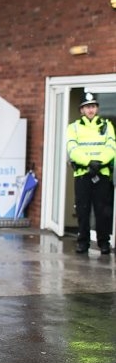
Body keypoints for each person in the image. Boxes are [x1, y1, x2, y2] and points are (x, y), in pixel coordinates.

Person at [66, 91, 115, 255]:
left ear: (97, 109)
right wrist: (89, 162)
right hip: (82, 174)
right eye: (87, 107)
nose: (90, 110)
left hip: (101, 174)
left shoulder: (107, 126)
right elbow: (72, 149)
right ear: (81, 110)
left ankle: (104, 243)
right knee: (83, 210)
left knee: (103, 211)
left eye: (93, 106)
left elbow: (111, 147)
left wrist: (99, 162)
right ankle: (83, 243)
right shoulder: (73, 128)